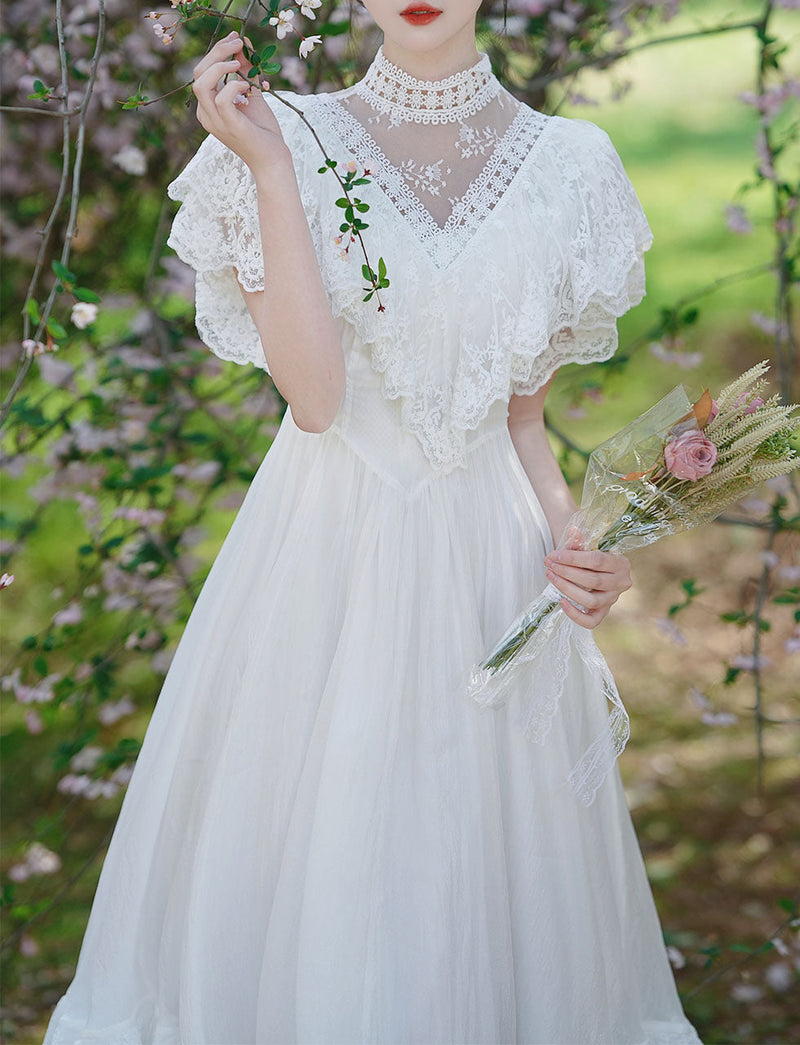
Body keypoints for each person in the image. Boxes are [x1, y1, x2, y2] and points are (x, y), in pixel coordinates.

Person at [43, 0, 704, 1042]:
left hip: (493, 565)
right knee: (330, 858)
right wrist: (268, 173)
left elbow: (521, 420)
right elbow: (315, 399)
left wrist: (580, 547)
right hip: (323, 562)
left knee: (492, 877)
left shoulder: (572, 163)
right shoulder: (281, 139)